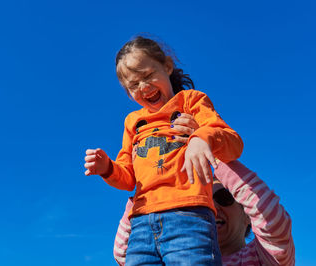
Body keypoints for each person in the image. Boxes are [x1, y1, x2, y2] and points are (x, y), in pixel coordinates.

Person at [84, 36, 243, 265]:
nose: (143, 87)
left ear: (167, 66)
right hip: (140, 225)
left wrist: (201, 137)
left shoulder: (191, 102)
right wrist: (107, 168)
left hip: (189, 216)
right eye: (133, 85)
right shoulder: (133, 122)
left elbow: (233, 143)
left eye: (148, 75)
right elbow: (128, 178)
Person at [113, 115, 295, 266]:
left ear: (247, 215)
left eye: (224, 197)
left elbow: (273, 223)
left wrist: (208, 146)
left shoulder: (262, 258)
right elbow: (125, 250)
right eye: (201, 200)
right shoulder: (167, 256)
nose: (211, 207)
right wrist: (150, 176)